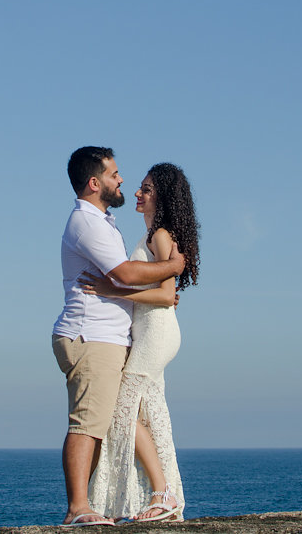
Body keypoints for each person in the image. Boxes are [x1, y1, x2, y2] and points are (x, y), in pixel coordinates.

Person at [53, 147, 186, 527]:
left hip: (120, 336)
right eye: (114, 174)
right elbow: (125, 273)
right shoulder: (89, 223)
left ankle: (155, 493)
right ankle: (83, 506)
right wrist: (172, 267)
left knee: (117, 415)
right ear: (95, 183)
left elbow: (149, 288)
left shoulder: (107, 222)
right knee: (93, 421)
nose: (122, 180)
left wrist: (147, 286)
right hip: (92, 336)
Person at [83, 162, 200, 522]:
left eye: (146, 189)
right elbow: (163, 292)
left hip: (156, 334)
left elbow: (165, 295)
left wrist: (113, 291)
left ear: (162, 198)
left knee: (120, 409)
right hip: (149, 332)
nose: (137, 192)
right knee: (149, 415)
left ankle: (162, 493)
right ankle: (164, 497)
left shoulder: (160, 235)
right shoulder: (151, 235)